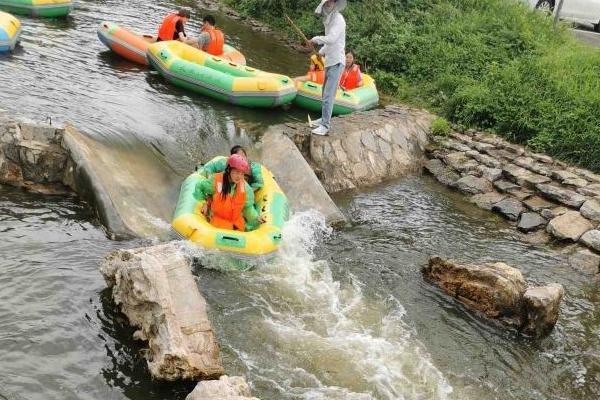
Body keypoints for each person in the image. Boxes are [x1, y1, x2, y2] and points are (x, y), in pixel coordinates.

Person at [195, 154, 264, 231]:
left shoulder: (246, 188)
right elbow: (200, 187)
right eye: (237, 172)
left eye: (242, 173)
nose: (239, 176)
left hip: (236, 224)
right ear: (229, 170)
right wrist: (204, 203)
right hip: (217, 222)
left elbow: (248, 208)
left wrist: (256, 217)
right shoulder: (216, 180)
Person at [309, 0, 347, 136]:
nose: (328, 4)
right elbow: (330, 44)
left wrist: (315, 39)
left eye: (331, 2)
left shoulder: (338, 19)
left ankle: (325, 126)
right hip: (330, 61)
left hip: (337, 62)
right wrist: (320, 52)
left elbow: (331, 39)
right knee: (325, 92)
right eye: (326, 3)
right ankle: (323, 119)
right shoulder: (329, 20)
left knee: (328, 96)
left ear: (335, 3)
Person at [198, 145, 264, 191]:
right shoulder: (226, 164)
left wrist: (246, 193)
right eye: (238, 156)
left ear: (246, 156)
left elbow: (259, 183)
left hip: (244, 190)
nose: (241, 159)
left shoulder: (254, 168)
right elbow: (209, 168)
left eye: (243, 156)